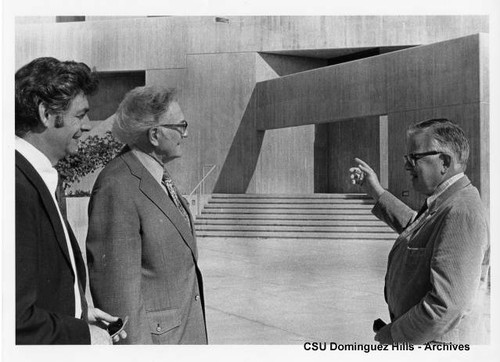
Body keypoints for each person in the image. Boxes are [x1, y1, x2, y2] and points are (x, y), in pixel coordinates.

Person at [15, 57, 127, 344]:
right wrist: (83, 335)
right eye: (80, 115)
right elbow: (14, 322)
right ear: (46, 114)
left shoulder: (34, 177)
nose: (88, 126)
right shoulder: (15, 187)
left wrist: (78, 313)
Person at [349, 118, 489, 344]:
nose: (406, 166)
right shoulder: (447, 202)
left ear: (444, 162)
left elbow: (447, 305)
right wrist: (375, 191)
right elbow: (419, 230)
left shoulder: (462, 211)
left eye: (414, 158)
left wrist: (394, 335)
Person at [86, 86, 208, 344]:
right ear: (155, 134)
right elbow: (118, 300)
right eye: (180, 126)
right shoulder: (117, 185)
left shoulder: (157, 175)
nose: (185, 134)